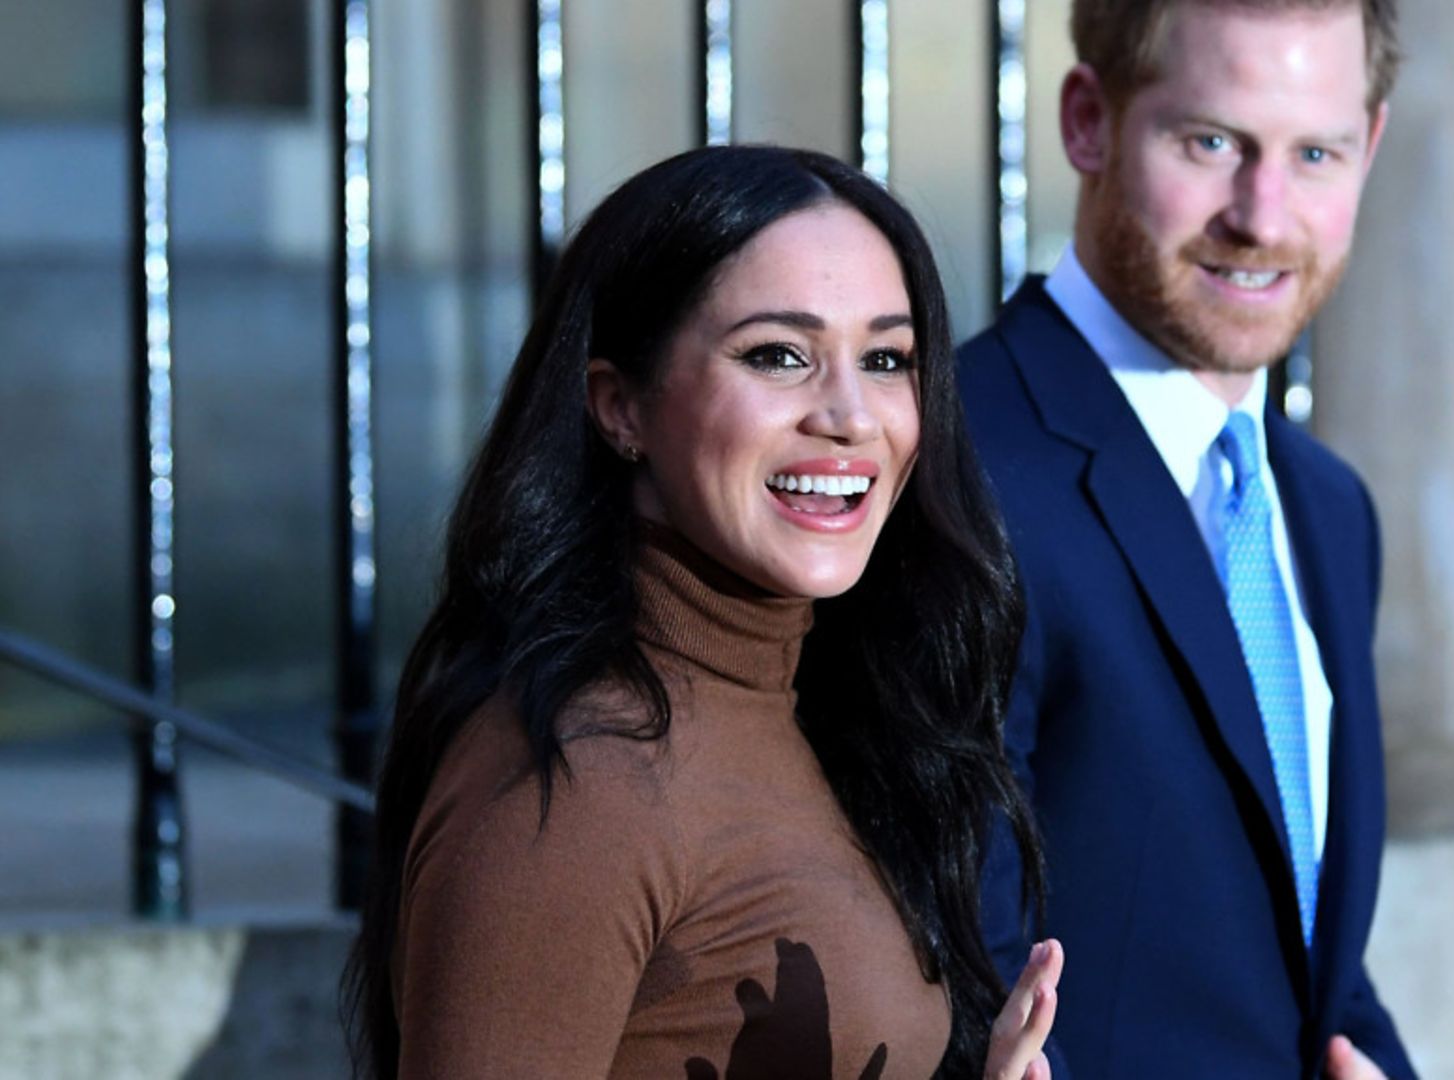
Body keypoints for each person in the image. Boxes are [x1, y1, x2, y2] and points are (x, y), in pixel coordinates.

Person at [342, 145, 1064, 1080]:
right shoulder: (575, 781)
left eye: (886, 359)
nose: (849, 415)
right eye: (779, 355)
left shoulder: (823, 717)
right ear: (619, 407)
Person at [959, 1, 1415, 1076]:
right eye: (1210, 143)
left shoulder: (1329, 508)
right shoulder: (960, 468)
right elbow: (958, 968)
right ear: (1087, 121)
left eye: (1316, 153)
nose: (1263, 215)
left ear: (1371, 148)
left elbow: (1310, 964)